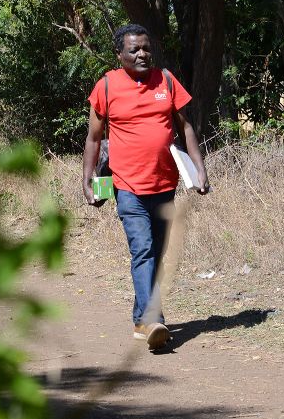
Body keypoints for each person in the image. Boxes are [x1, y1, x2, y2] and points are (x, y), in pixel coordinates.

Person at [81, 24, 210, 351]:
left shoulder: (166, 81)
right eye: (134, 50)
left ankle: (142, 319)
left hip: (165, 186)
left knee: (157, 253)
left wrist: (199, 169)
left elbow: (186, 128)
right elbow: (94, 138)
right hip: (127, 188)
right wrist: (88, 180)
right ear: (119, 55)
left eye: (146, 48)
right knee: (142, 249)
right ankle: (153, 319)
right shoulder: (107, 86)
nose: (142, 54)